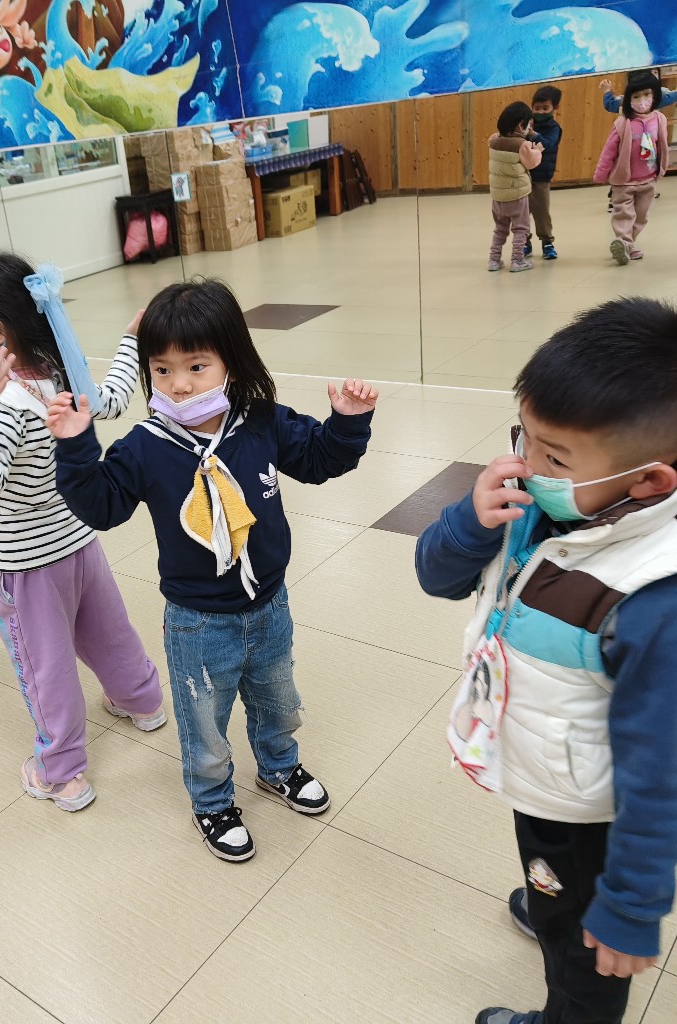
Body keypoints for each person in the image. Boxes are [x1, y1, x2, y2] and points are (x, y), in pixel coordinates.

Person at [47, 279, 379, 860]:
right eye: (163, 369)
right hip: (197, 621)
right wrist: (76, 447)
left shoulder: (260, 421)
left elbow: (319, 459)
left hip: (270, 604)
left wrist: (347, 423)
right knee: (203, 720)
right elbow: (101, 507)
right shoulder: (145, 445)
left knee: (278, 701)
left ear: (232, 360)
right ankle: (211, 800)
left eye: (197, 366)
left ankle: (278, 766)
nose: (179, 384)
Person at [415, 297, 677, 1024]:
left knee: (585, 957)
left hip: (589, 813)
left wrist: (631, 907)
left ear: (650, 480)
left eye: (554, 457)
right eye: (523, 437)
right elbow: (434, 577)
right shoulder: (550, 503)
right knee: (552, 880)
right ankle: (552, 899)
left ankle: (571, 956)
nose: (528, 467)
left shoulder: (651, 600)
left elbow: (660, 774)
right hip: (545, 766)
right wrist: (469, 522)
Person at [0, 253, 165, 812]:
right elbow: (111, 397)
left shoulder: (5, 404)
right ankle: (142, 700)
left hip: (27, 567)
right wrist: (130, 340)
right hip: (80, 543)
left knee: (47, 668)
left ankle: (61, 772)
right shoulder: (56, 372)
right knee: (108, 631)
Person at [593, 75, 669, 265]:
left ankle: (627, 244)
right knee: (624, 214)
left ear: (655, 95)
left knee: (641, 216)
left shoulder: (659, 119)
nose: (642, 100)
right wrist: (601, 173)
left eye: (647, 94)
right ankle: (624, 242)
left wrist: (661, 169)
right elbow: (609, 150)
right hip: (624, 181)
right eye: (636, 96)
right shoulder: (623, 123)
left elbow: (662, 146)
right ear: (628, 99)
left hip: (648, 179)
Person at [488, 101, 543, 273]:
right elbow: (531, 162)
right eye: (528, 125)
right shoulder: (521, 145)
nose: (529, 129)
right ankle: (517, 260)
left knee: (500, 229)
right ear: (521, 125)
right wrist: (537, 150)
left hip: (498, 197)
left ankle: (494, 260)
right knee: (521, 228)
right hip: (517, 196)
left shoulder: (494, 140)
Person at [523, 85, 562, 261]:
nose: (540, 112)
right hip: (523, 176)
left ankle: (547, 242)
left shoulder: (554, 127)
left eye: (545, 108)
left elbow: (549, 145)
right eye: (536, 108)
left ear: (555, 108)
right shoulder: (526, 124)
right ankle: (524, 241)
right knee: (522, 212)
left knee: (541, 213)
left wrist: (533, 134)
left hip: (541, 178)